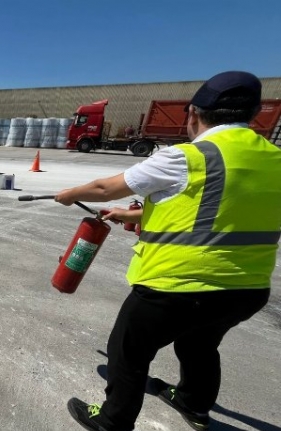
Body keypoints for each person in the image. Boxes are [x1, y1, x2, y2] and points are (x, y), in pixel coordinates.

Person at [54, 71, 281, 431]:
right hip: (247, 290)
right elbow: (218, 206)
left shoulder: (188, 157)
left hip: (178, 288)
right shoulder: (274, 159)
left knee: (127, 351)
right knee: (200, 344)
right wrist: (131, 213)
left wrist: (69, 194)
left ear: (193, 114)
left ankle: (113, 421)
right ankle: (193, 403)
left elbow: (104, 186)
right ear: (252, 115)